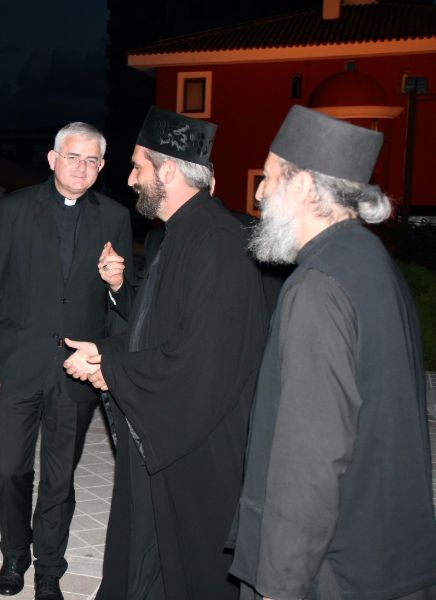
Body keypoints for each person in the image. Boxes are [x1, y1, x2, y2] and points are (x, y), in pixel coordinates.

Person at [229, 105, 436, 599]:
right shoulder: (370, 259)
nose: (259, 193)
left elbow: (310, 459)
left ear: (303, 186)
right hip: (383, 556)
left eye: (269, 177)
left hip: (333, 572)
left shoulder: (317, 288)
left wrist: (280, 584)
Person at [64, 106, 270, 599]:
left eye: (138, 167)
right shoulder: (179, 233)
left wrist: (113, 368)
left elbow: (202, 359)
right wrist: (107, 353)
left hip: (200, 447)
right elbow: (157, 331)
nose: (131, 179)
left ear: (169, 170)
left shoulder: (218, 242)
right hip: (174, 435)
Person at [0, 122, 134, 600]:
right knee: (10, 470)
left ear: (101, 167)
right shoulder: (15, 208)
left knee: (60, 478)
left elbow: (125, 303)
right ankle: (14, 552)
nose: (81, 167)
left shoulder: (115, 217)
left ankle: (49, 570)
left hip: (76, 370)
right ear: (52, 159)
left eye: (91, 160)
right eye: (72, 157)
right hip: (15, 364)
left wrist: (116, 285)